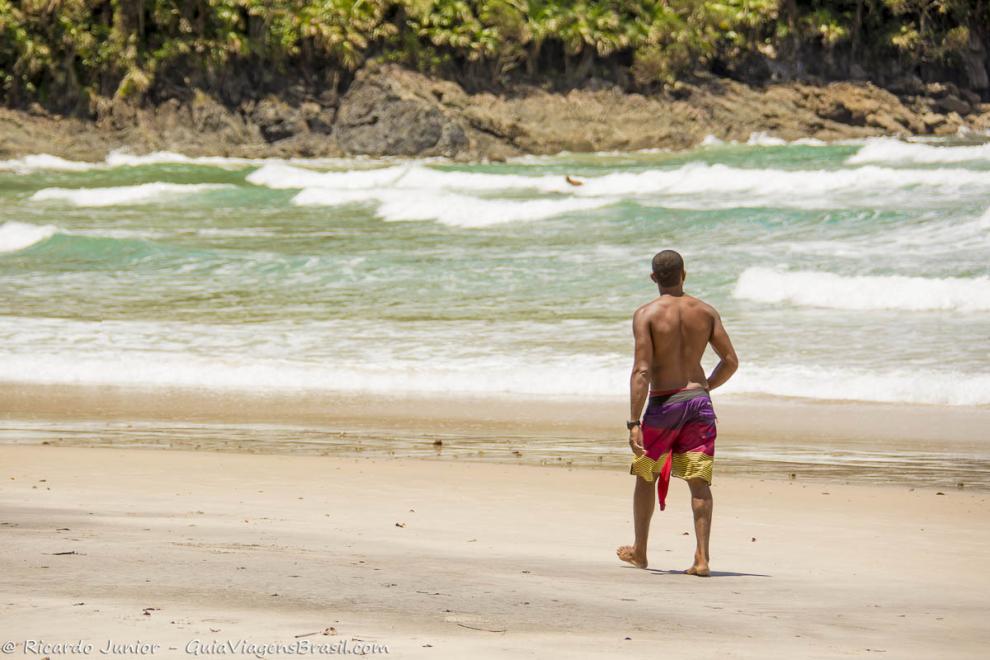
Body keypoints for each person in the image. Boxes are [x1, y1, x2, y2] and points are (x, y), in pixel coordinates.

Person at [616, 250, 738, 576]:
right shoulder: (706, 312)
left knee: (646, 476)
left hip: (663, 404)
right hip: (698, 404)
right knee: (699, 483)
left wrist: (633, 422)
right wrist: (705, 387)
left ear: (653, 277)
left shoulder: (647, 315)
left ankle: (640, 551)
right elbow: (731, 362)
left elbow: (642, 371)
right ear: (685, 274)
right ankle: (702, 559)